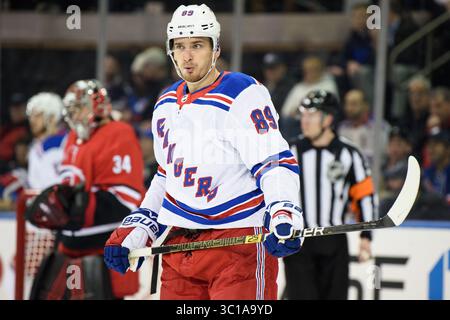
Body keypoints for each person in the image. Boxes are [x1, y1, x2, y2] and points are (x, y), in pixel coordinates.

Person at [104, 4, 304, 300]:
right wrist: (141, 224)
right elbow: (165, 174)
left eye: (197, 45)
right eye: (179, 46)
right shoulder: (166, 103)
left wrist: (282, 208)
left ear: (215, 49)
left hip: (238, 246)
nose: (187, 55)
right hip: (179, 247)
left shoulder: (241, 92)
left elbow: (273, 160)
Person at [26, 80, 145, 299]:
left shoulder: (119, 133)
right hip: (69, 247)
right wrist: (60, 203)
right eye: (71, 111)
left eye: (79, 109)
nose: (74, 116)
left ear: (97, 107)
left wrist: (80, 208)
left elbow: (127, 200)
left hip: (102, 248)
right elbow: (70, 184)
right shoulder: (73, 137)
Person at [285, 90, 376, 300]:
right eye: (303, 115)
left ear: (328, 119)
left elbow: (364, 195)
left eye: (311, 115)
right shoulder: (289, 151)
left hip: (334, 242)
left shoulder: (349, 154)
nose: (304, 121)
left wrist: (366, 236)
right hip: (298, 242)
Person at [26, 92, 67, 189]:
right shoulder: (35, 148)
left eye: (38, 115)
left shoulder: (68, 142)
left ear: (52, 117)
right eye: (31, 116)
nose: (32, 120)